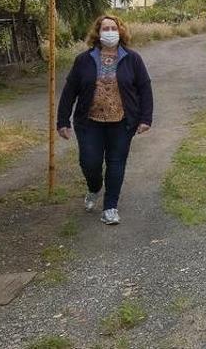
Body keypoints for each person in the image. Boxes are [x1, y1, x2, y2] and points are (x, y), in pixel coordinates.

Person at [57, 14, 153, 226]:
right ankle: (94, 187)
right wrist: (62, 120)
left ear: (120, 32)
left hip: (122, 122)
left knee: (116, 163)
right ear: (97, 33)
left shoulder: (132, 58)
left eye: (113, 28)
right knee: (89, 162)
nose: (110, 32)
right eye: (105, 28)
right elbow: (69, 90)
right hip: (89, 122)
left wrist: (146, 118)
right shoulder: (84, 60)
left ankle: (110, 207)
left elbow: (144, 88)